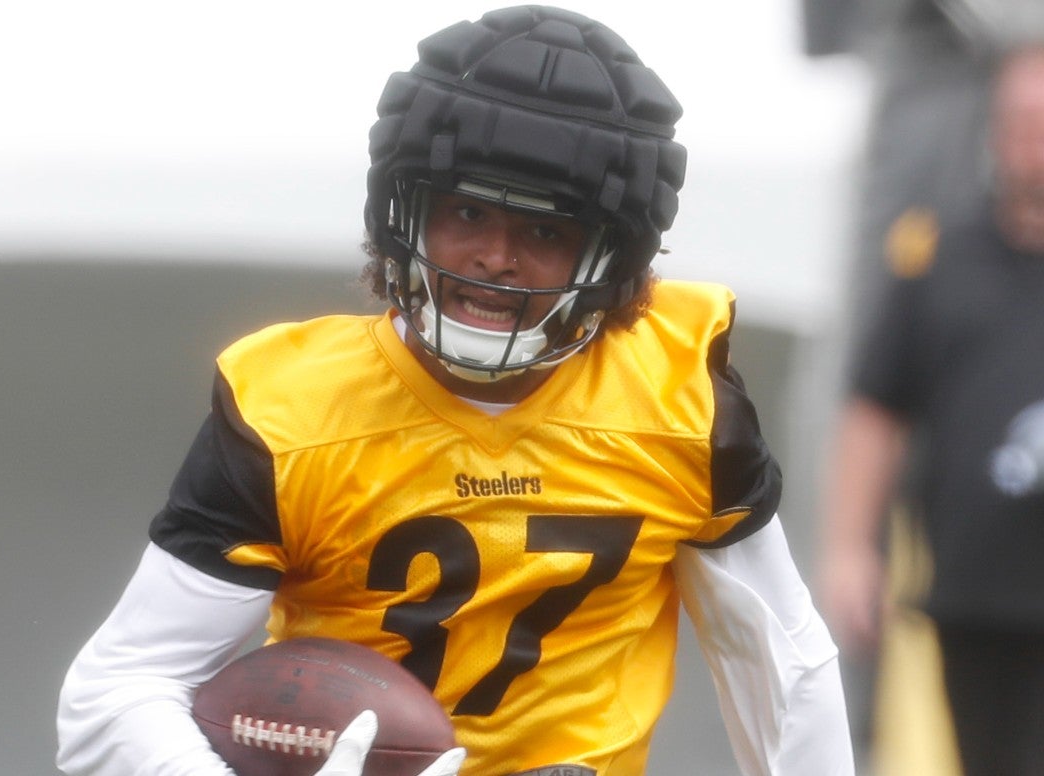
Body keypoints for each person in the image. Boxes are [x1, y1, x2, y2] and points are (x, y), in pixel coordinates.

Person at [56, 6, 854, 775]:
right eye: (467, 212)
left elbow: (786, 666)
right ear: (403, 211)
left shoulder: (679, 400)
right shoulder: (293, 412)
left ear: (612, 257)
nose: (496, 256)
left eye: (545, 230)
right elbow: (116, 693)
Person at [819, 47, 1044, 776]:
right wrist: (850, 550)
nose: (1028, 140)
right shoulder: (936, 257)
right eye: (1017, 120)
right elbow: (875, 409)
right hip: (967, 602)